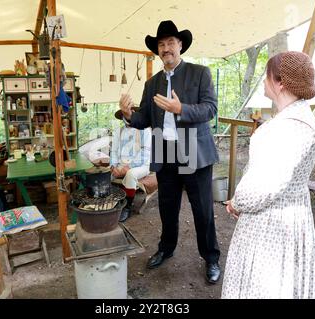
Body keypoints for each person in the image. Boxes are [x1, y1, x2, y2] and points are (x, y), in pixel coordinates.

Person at [119, 20, 221, 284]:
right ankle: (166, 248)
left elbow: (210, 109)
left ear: (180, 46)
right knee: (167, 207)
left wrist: (181, 109)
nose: (166, 48)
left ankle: (210, 257)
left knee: (202, 210)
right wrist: (130, 115)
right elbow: (143, 119)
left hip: (192, 147)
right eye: (161, 44)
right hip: (164, 150)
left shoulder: (200, 73)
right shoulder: (152, 83)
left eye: (171, 43)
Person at [221, 51, 315, 299]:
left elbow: (263, 187)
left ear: (280, 82)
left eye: (267, 75)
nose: (264, 80)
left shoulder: (292, 127)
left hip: (273, 225)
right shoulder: (296, 118)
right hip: (288, 215)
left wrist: (237, 201)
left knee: (264, 287)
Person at [110, 107, 151, 222]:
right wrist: (113, 166)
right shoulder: (119, 131)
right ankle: (110, 203)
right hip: (121, 164)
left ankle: (127, 207)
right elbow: (113, 151)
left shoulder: (145, 130)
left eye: (130, 113)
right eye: (125, 114)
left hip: (142, 165)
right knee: (104, 175)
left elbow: (145, 153)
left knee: (131, 174)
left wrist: (128, 167)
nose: (127, 116)